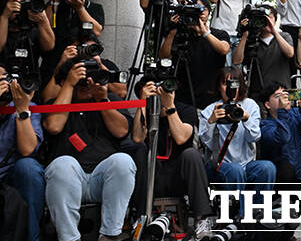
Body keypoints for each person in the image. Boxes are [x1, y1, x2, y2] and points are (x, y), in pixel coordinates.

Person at [43, 57, 135, 241]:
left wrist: (102, 100)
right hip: (67, 179)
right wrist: (70, 84)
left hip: (101, 179)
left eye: (90, 79)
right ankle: (69, 238)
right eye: (81, 81)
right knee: (62, 164)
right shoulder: (55, 103)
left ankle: (110, 235)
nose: (86, 84)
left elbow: (121, 131)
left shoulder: (109, 100)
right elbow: (53, 126)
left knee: (123, 161)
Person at [131, 80, 216, 238]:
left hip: (178, 177)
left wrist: (169, 106)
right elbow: (137, 138)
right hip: (151, 177)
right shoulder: (145, 112)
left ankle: (202, 218)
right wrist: (142, 103)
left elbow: (181, 137)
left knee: (191, 154)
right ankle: (141, 217)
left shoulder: (186, 110)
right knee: (141, 151)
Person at [198, 67, 275, 218]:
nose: (230, 88)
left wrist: (246, 118)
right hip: (219, 166)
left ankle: (259, 215)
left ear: (241, 86)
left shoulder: (250, 105)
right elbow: (207, 145)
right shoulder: (210, 110)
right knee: (235, 170)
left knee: (267, 167)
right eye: (225, 83)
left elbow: (255, 137)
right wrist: (212, 121)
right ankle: (238, 218)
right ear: (219, 86)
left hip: (246, 164)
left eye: (234, 83)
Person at [159, 0, 230, 108]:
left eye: (203, 9)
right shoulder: (181, 35)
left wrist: (205, 32)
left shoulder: (219, 34)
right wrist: (172, 32)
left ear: (209, 12)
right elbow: (164, 57)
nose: (200, 13)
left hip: (210, 95)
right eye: (195, 10)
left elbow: (224, 49)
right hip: (184, 95)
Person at [0, 65, 45, 241]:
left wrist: (22, 110)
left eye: (5, 78)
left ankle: (32, 238)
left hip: (11, 176)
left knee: (29, 167)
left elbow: (28, 150)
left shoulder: (28, 107)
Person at [42, 0, 105, 84]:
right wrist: (55, 1)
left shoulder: (94, 8)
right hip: (54, 60)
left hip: (83, 61)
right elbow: (44, 26)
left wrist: (80, 8)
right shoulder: (55, 5)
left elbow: (96, 31)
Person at [232, 5, 294, 101]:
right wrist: (244, 35)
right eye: (261, 18)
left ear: (275, 20)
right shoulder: (251, 41)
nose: (266, 20)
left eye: (269, 17)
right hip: (259, 96)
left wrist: (274, 32)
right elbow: (236, 61)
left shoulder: (284, 36)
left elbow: (290, 53)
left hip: (282, 93)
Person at [259, 81, 301, 182]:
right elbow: (282, 138)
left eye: (286, 94)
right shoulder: (264, 125)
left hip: (297, 176)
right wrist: (282, 110)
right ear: (268, 105)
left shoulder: (294, 114)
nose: (284, 99)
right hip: (278, 179)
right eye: (278, 96)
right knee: (286, 168)